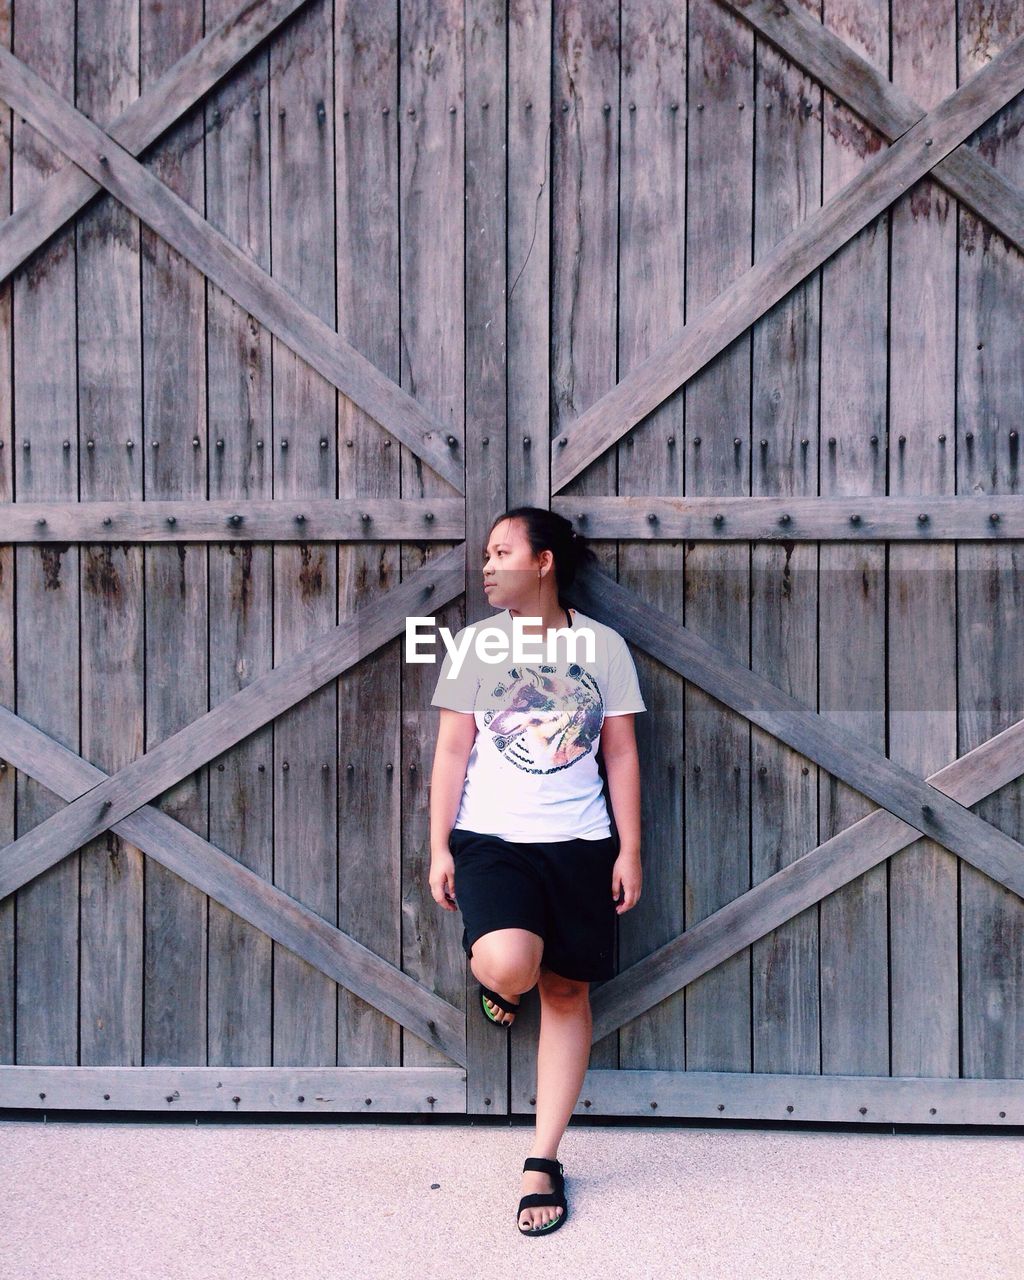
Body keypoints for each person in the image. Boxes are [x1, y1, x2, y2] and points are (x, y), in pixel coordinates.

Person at [427, 506, 646, 1236]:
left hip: (581, 842)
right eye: (486, 555)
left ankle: (543, 1158)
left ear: (543, 561)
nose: (486, 566)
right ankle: (498, 982)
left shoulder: (602, 647)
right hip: (493, 840)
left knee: (566, 989)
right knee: (512, 963)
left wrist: (630, 847)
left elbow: (618, 753)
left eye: (500, 552)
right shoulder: (475, 646)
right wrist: (439, 847)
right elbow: (453, 753)